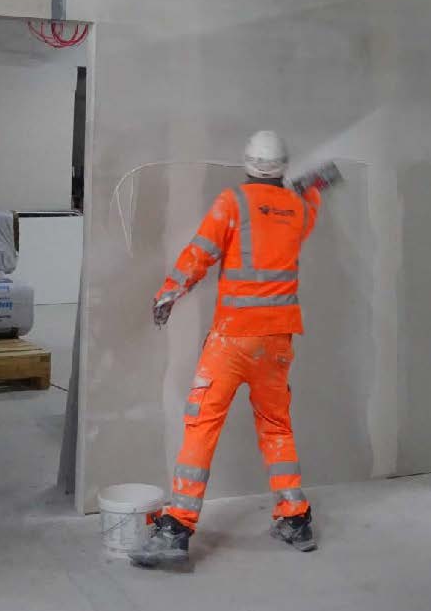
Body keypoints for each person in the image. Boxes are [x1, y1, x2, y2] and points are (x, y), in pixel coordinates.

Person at [129, 131, 340, 569]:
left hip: (232, 338)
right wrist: (312, 187)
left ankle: (176, 528)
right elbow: (301, 213)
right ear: (284, 166)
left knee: (202, 423)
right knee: (276, 426)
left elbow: (201, 252)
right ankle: (295, 518)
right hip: (277, 342)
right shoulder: (299, 208)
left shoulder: (233, 202)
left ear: (247, 163)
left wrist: (169, 293)